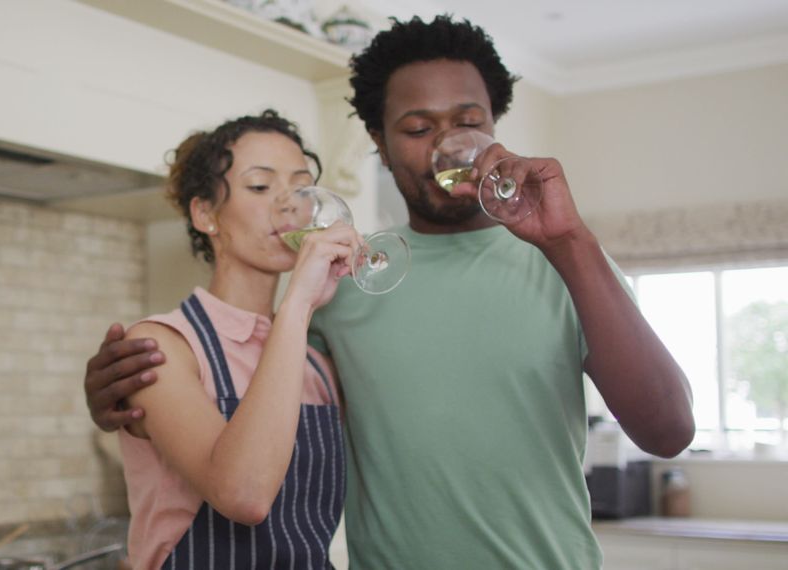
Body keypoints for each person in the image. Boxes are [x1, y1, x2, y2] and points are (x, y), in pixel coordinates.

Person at [84, 16, 696, 569]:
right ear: (379, 143)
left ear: (493, 126)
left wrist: (569, 241)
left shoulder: (568, 261)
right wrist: (122, 398)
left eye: (468, 122)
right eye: (416, 127)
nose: (446, 146)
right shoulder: (345, 283)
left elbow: (668, 431)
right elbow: (246, 427)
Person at [113, 109, 359, 569]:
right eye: (261, 187)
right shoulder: (162, 347)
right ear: (205, 213)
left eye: (299, 186)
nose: (288, 205)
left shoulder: (318, 366)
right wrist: (298, 305)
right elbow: (243, 495)